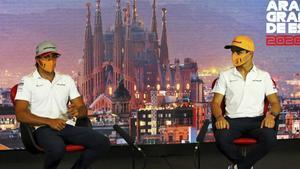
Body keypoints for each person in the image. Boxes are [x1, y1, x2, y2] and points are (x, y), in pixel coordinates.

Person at [14, 41, 110, 169]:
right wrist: (49, 121)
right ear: (37, 59)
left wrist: (78, 111)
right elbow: (20, 114)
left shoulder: (66, 79)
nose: (51, 61)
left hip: (65, 126)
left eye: (53, 57)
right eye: (46, 57)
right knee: (57, 148)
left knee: (102, 142)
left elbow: (82, 109)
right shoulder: (27, 81)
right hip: (42, 129)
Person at [211, 35, 282, 169]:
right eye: (232, 52)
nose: (234, 55)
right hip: (232, 121)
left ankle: (238, 166)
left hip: (257, 121)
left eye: (239, 51)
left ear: (250, 53)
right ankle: (245, 166)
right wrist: (219, 117)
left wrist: (271, 116)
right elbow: (215, 103)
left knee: (270, 138)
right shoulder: (225, 75)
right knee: (221, 138)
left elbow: (276, 103)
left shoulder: (263, 76)